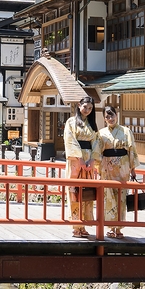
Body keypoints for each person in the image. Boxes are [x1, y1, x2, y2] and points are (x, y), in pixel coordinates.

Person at [98, 106, 139, 239]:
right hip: (107, 166)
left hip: (123, 166)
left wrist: (133, 168)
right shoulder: (101, 133)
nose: (110, 119)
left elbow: (132, 150)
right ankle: (110, 226)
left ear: (117, 115)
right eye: (107, 116)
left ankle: (119, 227)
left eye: (112, 115)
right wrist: (97, 169)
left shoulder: (126, 131)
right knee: (108, 196)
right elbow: (98, 152)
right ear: (104, 118)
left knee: (121, 197)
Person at [63, 96, 100, 238]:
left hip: (89, 161)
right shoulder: (71, 122)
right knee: (74, 192)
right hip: (75, 162)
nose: (87, 110)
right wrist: (79, 159)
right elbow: (70, 141)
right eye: (85, 107)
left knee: (87, 193)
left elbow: (96, 143)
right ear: (79, 105)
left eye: (90, 108)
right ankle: (76, 226)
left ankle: (84, 224)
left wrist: (92, 160)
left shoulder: (92, 125)